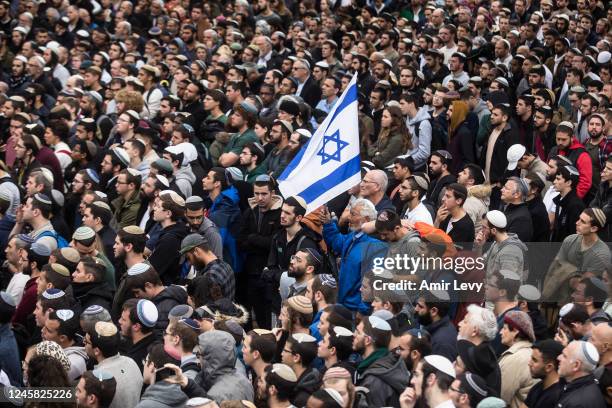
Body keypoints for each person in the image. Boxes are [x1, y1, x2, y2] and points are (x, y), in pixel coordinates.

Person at [84, 321, 143, 408]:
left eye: (86, 341)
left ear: (97, 351)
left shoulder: (98, 378)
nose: (83, 343)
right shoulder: (131, 362)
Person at [354, 315, 410, 406]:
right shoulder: (388, 362)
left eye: (358, 332)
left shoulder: (374, 381)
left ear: (367, 340)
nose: (354, 335)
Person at [125, 262, 188, 331]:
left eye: (137, 292)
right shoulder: (176, 294)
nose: (136, 296)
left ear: (148, 286)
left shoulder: (159, 312)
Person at [498, 310, 538, 407]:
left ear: (515, 331)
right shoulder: (526, 352)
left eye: (504, 328)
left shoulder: (516, 359)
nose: (500, 332)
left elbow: (500, 397)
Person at [179, 234, 235, 300]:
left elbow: (207, 308)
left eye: (188, 258)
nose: (190, 263)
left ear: (196, 251)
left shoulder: (209, 276)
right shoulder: (226, 265)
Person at [557, 340, 607, 408]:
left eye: (564, 356)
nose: (558, 358)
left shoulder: (577, 404)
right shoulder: (587, 387)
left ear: (576, 365)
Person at [137, 343, 189, 408]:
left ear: (151, 366)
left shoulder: (145, 405)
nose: (144, 365)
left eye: (145, 361)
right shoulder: (189, 396)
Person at [42, 308, 88, 381]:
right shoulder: (52, 346)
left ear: (62, 338)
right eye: (44, 326)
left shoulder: (72, 364)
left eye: (48, 330)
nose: (42, 331)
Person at [118, 298, 160, 372]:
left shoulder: (135, 361)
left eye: (123, 319)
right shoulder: (158, 342)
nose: (119, 321)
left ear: (136, 327)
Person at [280, 333, 320, 407]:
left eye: (285, 350)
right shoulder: (310, 380)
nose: (281, 354)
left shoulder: (302, 399)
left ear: (296, 358)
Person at [525, 339, 564, 408]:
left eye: (534, 360)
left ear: (549, 367)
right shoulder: (538, 387)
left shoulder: (557, 397)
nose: (529, 363)